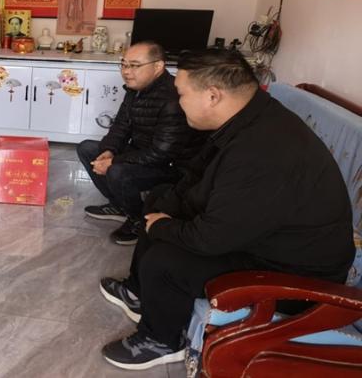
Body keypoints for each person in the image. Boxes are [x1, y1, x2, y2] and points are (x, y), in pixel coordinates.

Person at [99, 49, 355, 370]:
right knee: (160, 200)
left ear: (212, 95)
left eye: (181, 94)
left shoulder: (264, 151)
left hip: (296, 274)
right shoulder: (248, 118)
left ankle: (162, 340)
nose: (178, 103)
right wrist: (166, 210)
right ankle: (140, 293)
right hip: (262, 235)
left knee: (165, 261)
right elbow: (198, 175)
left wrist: (164, 226)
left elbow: (212, 238)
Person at [77, 42, 202, 245]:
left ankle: (138, 219)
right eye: (124, 64)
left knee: (117, 171)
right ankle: (119, 206)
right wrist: (109, 150)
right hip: (143, 153)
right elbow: (120, 126)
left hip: (172, 166)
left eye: (134, 65)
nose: (126, 71)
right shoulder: (135, 89)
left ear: (158, 66)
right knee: (87, 148)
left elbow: (163, 153)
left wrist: (114, 161)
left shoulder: (172, 98)